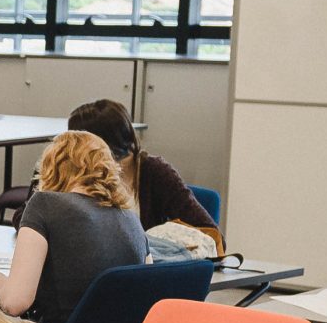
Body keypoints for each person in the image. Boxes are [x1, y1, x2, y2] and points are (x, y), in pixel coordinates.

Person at [0, 131, 148, 323]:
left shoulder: (45, 203)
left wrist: (0, 283)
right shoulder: (131, 218)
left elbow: (15, 303)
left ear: (52, 166)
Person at [64, 100, 218, 247]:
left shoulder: (154, 172)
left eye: (78, 144)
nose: (71, 152)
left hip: (142, 267)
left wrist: (155, 242)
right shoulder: (74, 172)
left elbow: (210, 233)